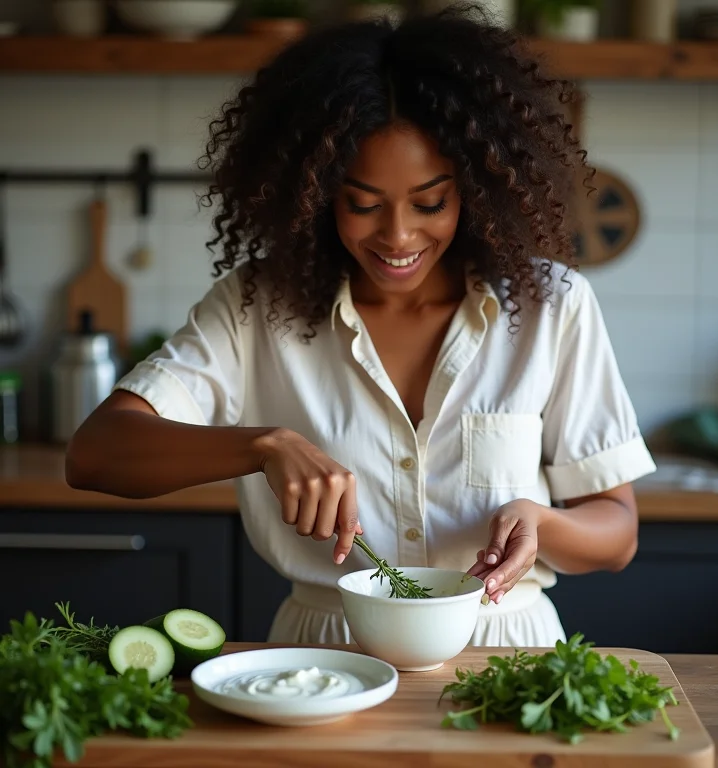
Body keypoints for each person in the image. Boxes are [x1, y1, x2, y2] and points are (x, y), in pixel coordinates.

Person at [66, 4, 656, 647]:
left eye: (430, 202)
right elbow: (95, 454)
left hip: (507, 652)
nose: (398, 236)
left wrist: (543, 522)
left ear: (478, 187)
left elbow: (617, 532)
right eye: (363, 204)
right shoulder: (257, 305)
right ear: (317, 192)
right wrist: (261, 446)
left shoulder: (551, 305)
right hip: (327, 654)